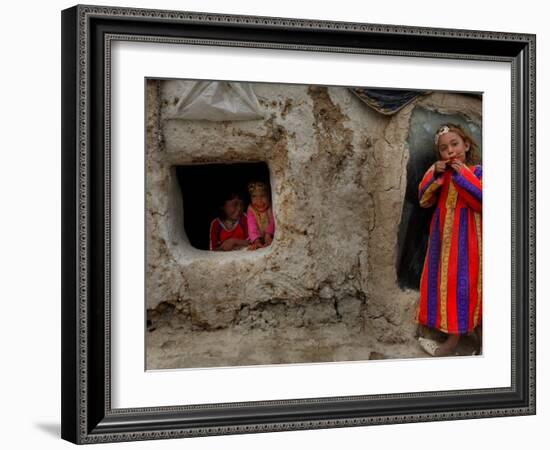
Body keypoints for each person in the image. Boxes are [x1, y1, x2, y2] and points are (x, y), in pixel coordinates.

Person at [416, 123, 482, 357]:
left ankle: (453, 345)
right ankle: (468, 341)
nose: (451, 151)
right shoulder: (442, 176)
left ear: (466, 144)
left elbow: (483, 199)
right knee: (446, 288)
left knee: (465, 288)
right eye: (444, 149)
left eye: (455, 144)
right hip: (443, 244)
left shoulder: (477, 172)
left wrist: (461, 172)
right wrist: (435, 173)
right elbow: (423, 199)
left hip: (469, 244)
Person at [246, 181, 276, 250]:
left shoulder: (273, 205)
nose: (259, 201)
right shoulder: (251, 209)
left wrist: (268, 234)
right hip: (256, 239)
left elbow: (274, 220)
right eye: (254, 196)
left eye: (263, 196)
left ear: (270, 196)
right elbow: (252, 226)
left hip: (271, 237)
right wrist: (256, 241)